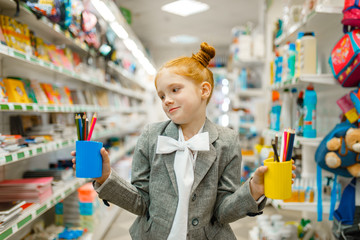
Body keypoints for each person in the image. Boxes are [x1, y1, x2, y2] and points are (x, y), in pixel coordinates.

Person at [72, 42, 296, 239]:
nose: (167, 100)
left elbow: (222, 212)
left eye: (175, 90)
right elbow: (140, 202)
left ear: (204, 90)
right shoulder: (151, 136)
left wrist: (254, 190)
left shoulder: (227, 141)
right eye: (161, 96)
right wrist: (106, 178)